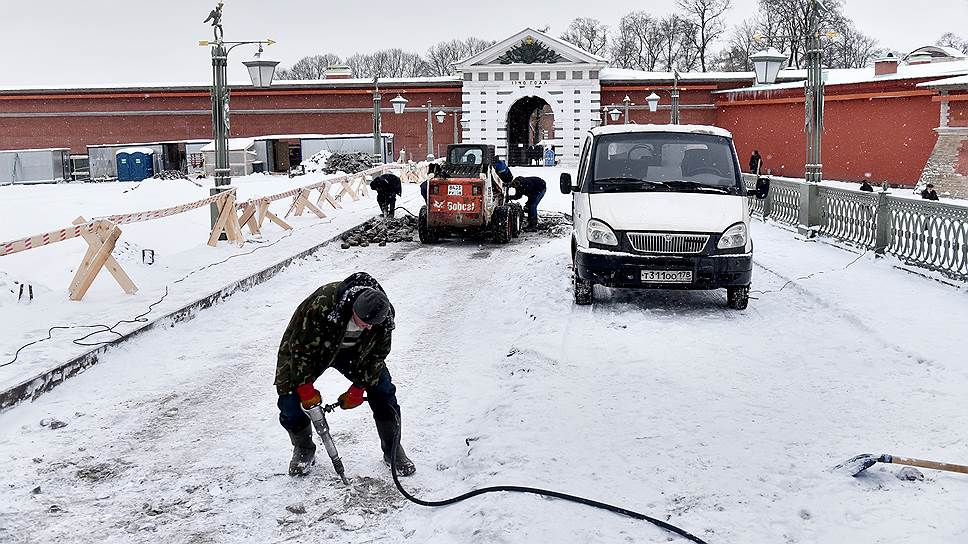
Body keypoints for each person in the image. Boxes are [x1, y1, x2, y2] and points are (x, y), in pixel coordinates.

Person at [274, 272, 416, 477]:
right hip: (315, 350)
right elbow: (299, 348)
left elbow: (378, 355)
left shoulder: (383, 317)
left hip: (357, 353)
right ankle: (303, 449)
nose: (368, 326)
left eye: (372, 324)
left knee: (383, 390)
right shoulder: (323, 304)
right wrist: (304, 387)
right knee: (288, 396)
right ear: (353, 308)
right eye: (364, 321)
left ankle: (393, 449)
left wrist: (359, 387)